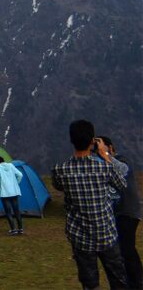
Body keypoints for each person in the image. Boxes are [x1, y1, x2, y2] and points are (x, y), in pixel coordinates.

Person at [52, 120, 128, 290]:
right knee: (119, 281)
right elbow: (122, 185)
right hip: (106, 234)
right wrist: (105, 156)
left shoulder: (60, 170)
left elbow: (58, 186)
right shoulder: (104, 169)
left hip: (81, 237)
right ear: (92, 141)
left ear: (71, 140)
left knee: (90, 284)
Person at [100, 136, 142, 289]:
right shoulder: (106, 165)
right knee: (125, 249)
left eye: (102, 146)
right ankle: (134, 281)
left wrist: (105, 155)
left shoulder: (121, 159)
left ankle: (136, 282)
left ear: (110, 147)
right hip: (120, 212)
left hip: (128, 211)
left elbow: (122, 169)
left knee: (127, 249)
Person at [0, 155, 24, 235]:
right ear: (2, 160)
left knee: (8, 211)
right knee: (16, 210)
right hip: (14, 191)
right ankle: (20, 229)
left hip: (4, 192)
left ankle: (13, 230)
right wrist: (16, 184)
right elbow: (20, 175)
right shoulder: (10, 165)